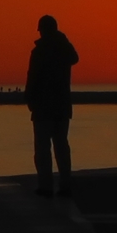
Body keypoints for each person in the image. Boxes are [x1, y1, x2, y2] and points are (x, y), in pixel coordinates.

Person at [25, 16, 78, 197]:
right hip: (61, 106)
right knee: (61, 147)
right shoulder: (64, 49)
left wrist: (29, 99)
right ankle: (65, 185)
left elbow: (32, 76)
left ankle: (46, 185)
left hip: (44, 107)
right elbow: (74, 58)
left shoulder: (39, 51)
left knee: (43, 149)